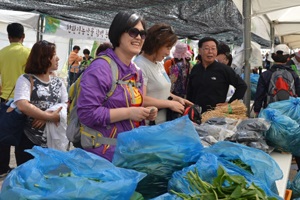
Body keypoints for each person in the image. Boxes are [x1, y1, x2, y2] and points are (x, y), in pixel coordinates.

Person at [77, 11, 158, 162]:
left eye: (142, 33)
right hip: (102, 157)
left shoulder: (136, 72)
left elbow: (133, 107)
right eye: (133, 32)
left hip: (128, 153)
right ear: (118, 34)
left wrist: (146, 113)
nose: (139, 37)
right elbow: (87, 114)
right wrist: (129, 113)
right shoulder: (100, 68)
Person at [12, 40, 67, 165]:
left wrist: (48, 117)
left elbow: (66, 104)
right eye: (54, 55)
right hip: (29, 141)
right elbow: (22, 104)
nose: (57, 58)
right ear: (43, 58)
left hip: (53, 142)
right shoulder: (26, 79)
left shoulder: (58, 82)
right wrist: (48, 116)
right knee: (29, 179)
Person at [134, 23, 193, 125]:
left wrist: (177, 99)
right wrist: (169, 104)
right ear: (156, 44)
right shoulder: (140, 65)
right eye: (167, 48)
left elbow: (160, 90)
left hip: (163, 123)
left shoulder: (159, 63)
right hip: (148, 125)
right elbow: (141, 99)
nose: (168, 53)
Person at [0, 23, 31, 177]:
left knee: (3, 134)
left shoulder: (2, 53)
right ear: (23, 36)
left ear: (8, 36)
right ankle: (22, 170)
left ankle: (3, 168)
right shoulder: (28, 53)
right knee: (23, 135)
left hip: (5, 100)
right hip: (23, 101)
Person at [186, 37, 247, 113]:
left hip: (216, 115)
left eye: (213, 48)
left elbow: (242, 86)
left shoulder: (224, 69)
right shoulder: (195, 69)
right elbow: (190, 91)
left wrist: (229, 104)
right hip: (196, 113)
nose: (210, 52)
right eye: (206, 48)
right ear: (199, 51)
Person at [253, 44, 300, 114]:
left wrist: (257, 109)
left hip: (270, 111)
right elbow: (298, 92)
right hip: (290, 111)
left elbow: (260, 95)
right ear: (288, 58)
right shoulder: (293, 74)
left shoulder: (265, 74)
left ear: (273, 57)